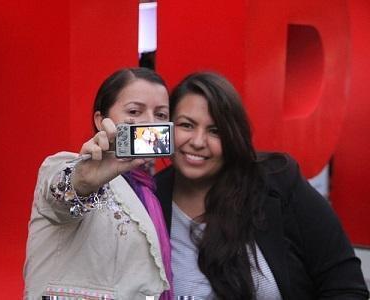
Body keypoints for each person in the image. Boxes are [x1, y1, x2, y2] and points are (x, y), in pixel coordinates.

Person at [155, 72, 369, 299]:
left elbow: (346, 286)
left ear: (233, 137)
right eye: (186, 125)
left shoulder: (278, 183)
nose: (198, 142)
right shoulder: (149, 200)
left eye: (215, 131)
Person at [24, 68, 173, 299]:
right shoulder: (68, 166)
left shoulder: (152, 190)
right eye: (134, 111)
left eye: (161, 115)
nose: (150, 122)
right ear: (100, 120)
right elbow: (62, 195)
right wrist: (85, 179)